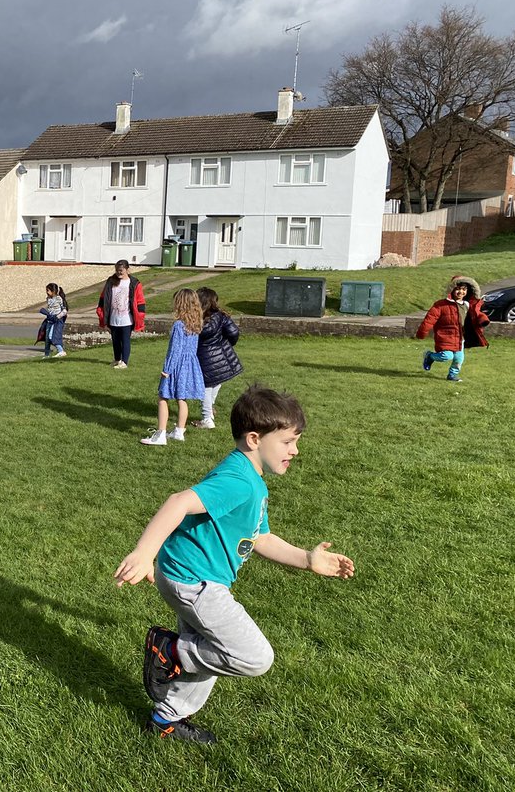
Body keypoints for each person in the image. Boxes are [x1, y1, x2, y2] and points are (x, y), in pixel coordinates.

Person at [115, 384, 356, 744]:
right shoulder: (238, 481)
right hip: (194, 580)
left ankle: (166, 719)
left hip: (191, 574)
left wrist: (307, 559)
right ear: (255, 439)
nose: (295, 450)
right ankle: (169, 652)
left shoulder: (251, 480)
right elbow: (178, 501)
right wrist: (143, 552)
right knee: (253, 656)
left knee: (210, 650)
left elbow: (260, 538)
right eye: (288, 441)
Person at [142, 289, 205, 446]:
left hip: (176, 366)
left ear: (180, 304)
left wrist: (167, 370)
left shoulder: (178, 325)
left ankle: (161, 434)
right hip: (190, 365)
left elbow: (175, 351)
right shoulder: (196, 324)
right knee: (181, 398)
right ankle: (179, 431)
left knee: (163, 397)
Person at [416, 274, 490, 382]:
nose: (461, 292)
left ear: (467, 291)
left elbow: (476, 314)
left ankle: (452, 375)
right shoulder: (441, 305)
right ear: (452, 290)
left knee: (459, 359)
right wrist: (422, 332)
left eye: (464, 289)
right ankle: (430, 356)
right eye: (458, 289)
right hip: (445, 336)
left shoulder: (467, 305)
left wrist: (483, 320)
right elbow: (429, 319)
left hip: (460, 338)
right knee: (446, 356)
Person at [194, 288, 242, 429]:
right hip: (221, 357)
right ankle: (210, 411)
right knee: (216, 383)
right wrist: (226, 344)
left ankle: (207, 418)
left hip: (203, 358)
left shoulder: (196, 319)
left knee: (205, 388)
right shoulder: (221, 316)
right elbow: (234, 332)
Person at [96, 259, 146, 368]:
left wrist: (140, 316)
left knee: (125, 340)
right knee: (115, 340)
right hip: (113, 317)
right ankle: (117, 359)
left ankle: (124, 362)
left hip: (127, 318)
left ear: (127, 269)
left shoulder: (134, 283)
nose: (119, 272)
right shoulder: (110, 281)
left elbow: (140, 301)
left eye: (121, 270)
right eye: (117, 270)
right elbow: (103, 298)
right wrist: (102, 315)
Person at [40, 282, 68, 358]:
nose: (47, 292)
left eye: (48, 290)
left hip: (56, 321)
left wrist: (57, 317)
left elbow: (65, 311)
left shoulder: (59, 299)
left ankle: (61, 351)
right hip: (49, 320)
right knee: (47, 339)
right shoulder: (48, 299)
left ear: (53, 291)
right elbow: (50, 309)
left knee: (51, 336)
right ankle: (47, 355)